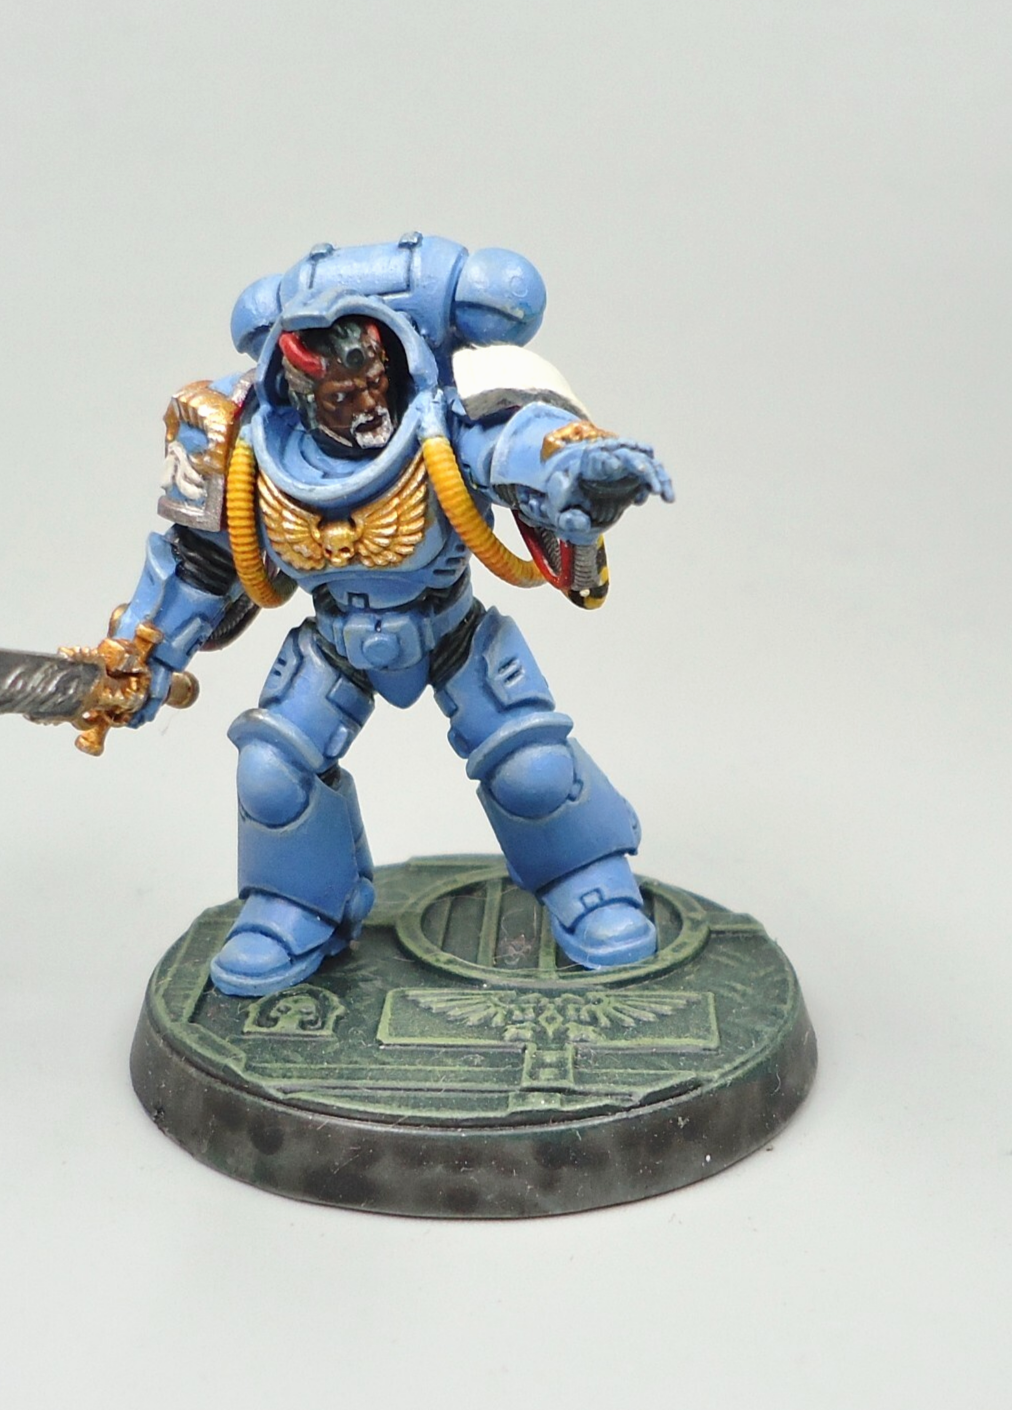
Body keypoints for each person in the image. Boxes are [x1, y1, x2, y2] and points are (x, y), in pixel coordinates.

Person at [109, 234, 674, 997]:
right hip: (333, 643)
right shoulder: (249, 448)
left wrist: (579, 469)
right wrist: (141, 655)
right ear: (299, 391)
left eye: (374, 384)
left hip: (451, 631)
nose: (368, 406)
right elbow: (197, 563)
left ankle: (589, 881)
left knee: (533, 767)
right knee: (271, 772)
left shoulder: (436, 423)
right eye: (343, 397)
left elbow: (519, 444)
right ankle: (295, 906)